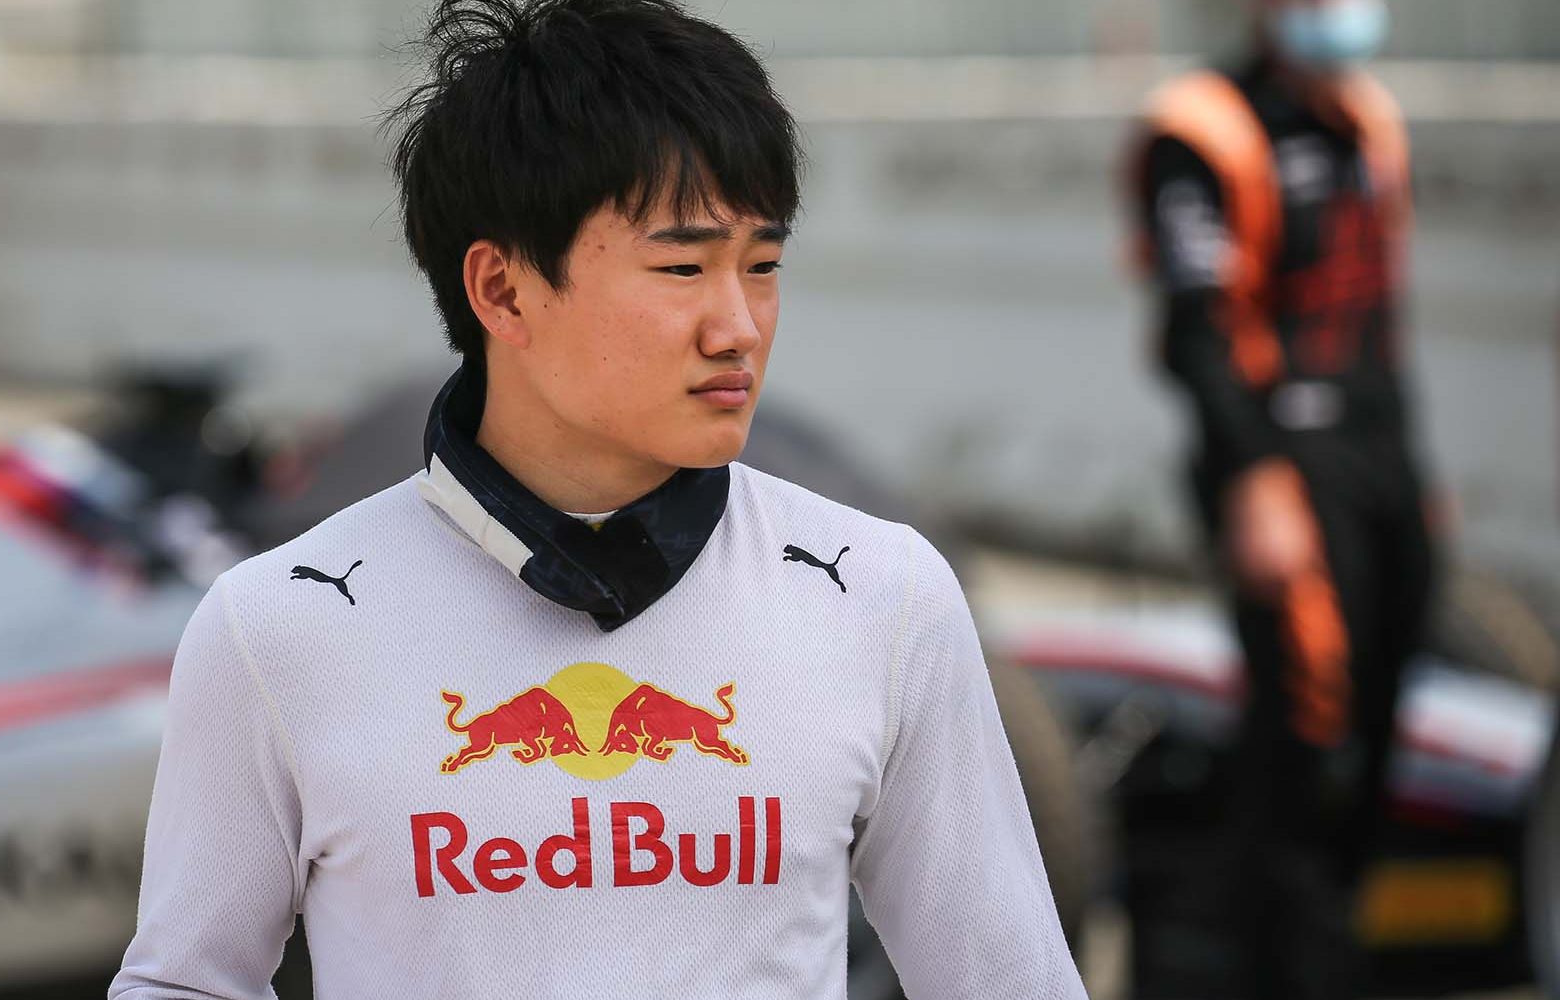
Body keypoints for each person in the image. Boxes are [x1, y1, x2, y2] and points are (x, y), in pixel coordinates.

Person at [111, 1, 1083, 996]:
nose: (739, 326)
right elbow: (184, 983)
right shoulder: (280, 626)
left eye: (764, 265)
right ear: (502, 290)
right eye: (681, 267)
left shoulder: (883, 597)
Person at [1126, 1, 1436, 997]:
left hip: (1378, 454)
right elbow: (1194, 328)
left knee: (1387, 702)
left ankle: (1330, 938)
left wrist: (1413, 473)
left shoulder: (1369, 120)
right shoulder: (1202, 126)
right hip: (1279, 458)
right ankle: (1274, 964)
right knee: (1309, 714)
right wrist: (1254, 477)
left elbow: (1382, 307)